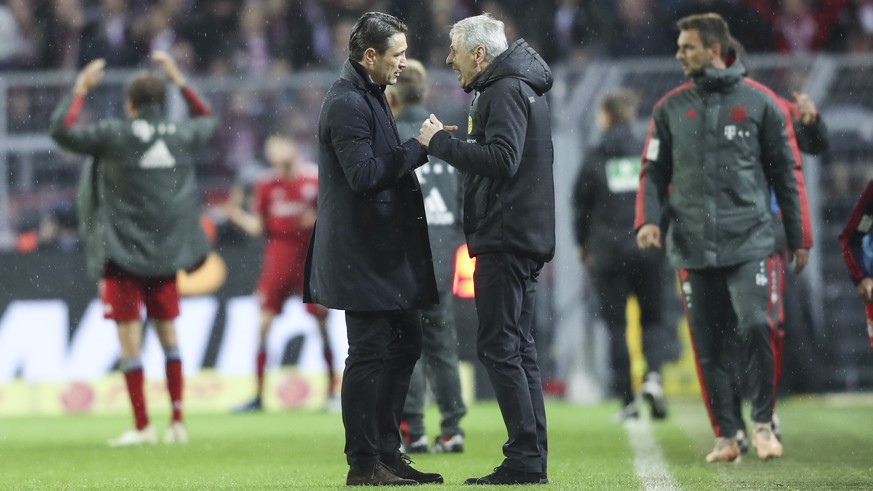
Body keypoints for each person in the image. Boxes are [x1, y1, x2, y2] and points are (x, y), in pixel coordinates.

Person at [634, 13, 812, 463]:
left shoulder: (762, 103)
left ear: (714, 50)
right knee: (708, 343)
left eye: (687, 47)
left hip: (752, 241)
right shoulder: (669, 108)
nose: (679, 54)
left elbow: (787, 174)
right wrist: (648, 221)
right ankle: (727, 437)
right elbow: (653, 173)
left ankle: (763, 424)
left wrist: (800, 235)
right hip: (692, 245)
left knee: (757, 325)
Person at [302, 11, 443, 487]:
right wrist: (417, 148)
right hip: (359, 256)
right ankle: (363, 465)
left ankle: (387, 452)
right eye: (398, 54)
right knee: (367, 356)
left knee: (407, 345)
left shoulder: (369, 94)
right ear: (370, 56)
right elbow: (364, 176)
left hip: (382, 252)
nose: (404, 62)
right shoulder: (346, 103)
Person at [48, 52, 217, 446]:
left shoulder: (113, 135)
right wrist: (181, 79)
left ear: (130, 103)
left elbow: (60, 131)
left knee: (130, 345)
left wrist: (79, 90)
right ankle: (177, 421)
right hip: (163, 256)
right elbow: (208, 120)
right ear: (160, 102)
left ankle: (142, 427)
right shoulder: (178, 134)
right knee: (169, 338)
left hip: (121, 255)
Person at [418, 13, 554, 485]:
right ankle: (530, 457)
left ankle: (524, 458)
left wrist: (440, 145)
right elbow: (505, 154)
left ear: (480, 53)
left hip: (507, 235)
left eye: (454, 49)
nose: (448, 58)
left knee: (499, 346)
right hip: (519, 232)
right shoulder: (518, 87)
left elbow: (502, 160)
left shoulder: (502, 90)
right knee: (518, 347)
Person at [571, 88, 674, 423]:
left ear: (605, 115)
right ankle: (654, 378)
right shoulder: (646, 151)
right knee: (653, 320)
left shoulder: (595, 154)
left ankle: (628, 400)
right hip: (647, 247)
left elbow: (580, 206)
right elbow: (665, 196)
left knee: (616, 326)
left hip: (608, 252)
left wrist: (582, 244)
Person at [385, 58, 468, 454]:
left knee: (406, 346)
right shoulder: (443, 137)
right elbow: (464, 206)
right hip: (442, 255)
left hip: (403, 257)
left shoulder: (391, 137)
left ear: (393, 97)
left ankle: (413, 430)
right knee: (442, 345)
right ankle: (452, 429)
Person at [223, 135, 338, 414]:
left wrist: (320, 217)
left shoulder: (314, 177)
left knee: (321, 324)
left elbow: (334, 211)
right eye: (270, 148)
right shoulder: (265, 183)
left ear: (293, 147)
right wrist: (236, 214)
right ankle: (259, 394)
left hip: (309, 260)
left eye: (278, 146)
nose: (274, 152)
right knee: (263, 325)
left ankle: (333, 391)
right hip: (277, 260)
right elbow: (258, 227)